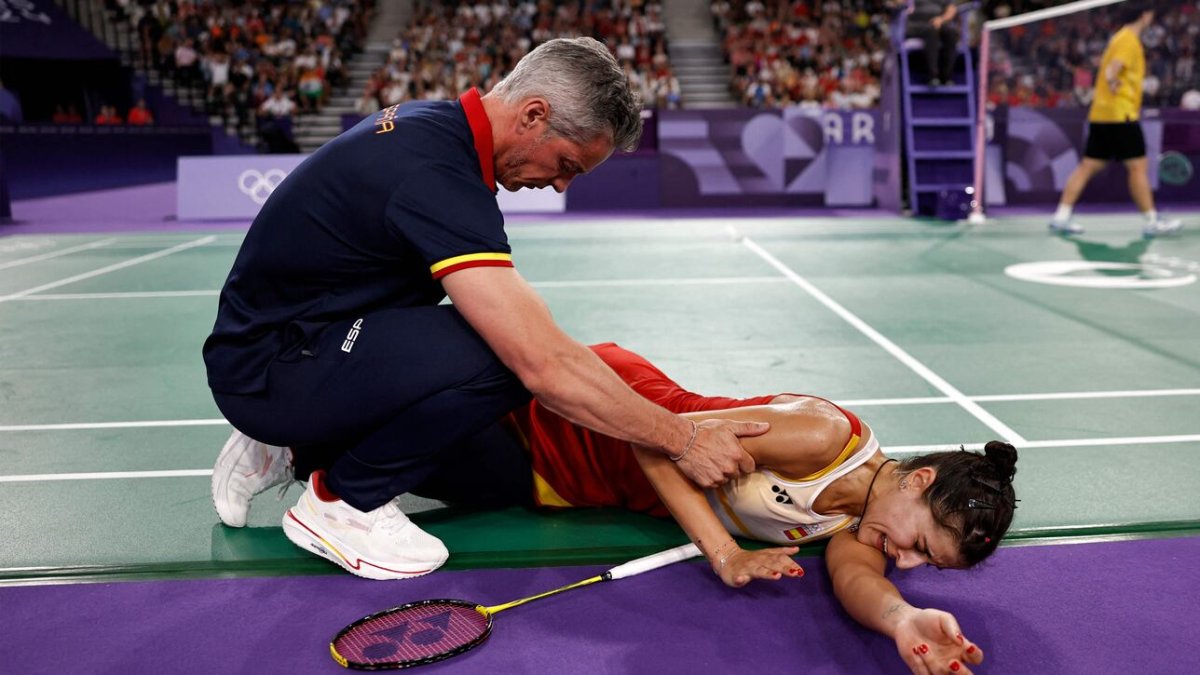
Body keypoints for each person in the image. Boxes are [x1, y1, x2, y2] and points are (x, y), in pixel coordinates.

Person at [206, 38, 767, 581]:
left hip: (304, 337)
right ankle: (343, 502)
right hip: (272, 366)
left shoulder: (437, 130)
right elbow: (540, 362)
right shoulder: (436, 174)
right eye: (567, 163)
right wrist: (683, 439)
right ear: (533, 115)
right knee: (505, 358)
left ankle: (300, 442)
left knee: (495, 459)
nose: (560, 184)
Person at [225, 343, 1015, 675]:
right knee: (443, 429)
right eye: (920, 545)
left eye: (922, 567)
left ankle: (296, 452)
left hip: (576, 487)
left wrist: (903, 617)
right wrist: (725, 553)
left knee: (454, 479)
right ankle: (279, 436)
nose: (903, 559)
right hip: (603, 414)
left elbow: (855, 578)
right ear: (915, 481)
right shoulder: (823, 437)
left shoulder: (860, 525)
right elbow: (658, 439)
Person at [1048, 3, 1182, 239]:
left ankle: (1061, 215)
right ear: (1145, 14)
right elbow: (1112, 69)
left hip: (1101, 113)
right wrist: (1112, 81)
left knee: (1089, 166)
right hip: (1121, 114)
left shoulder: (1119, 37)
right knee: (1137, 167)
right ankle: (1151, 220)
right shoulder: (1129, 40)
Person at [906, 1, 961, 87]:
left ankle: (946, 76)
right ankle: (933, 76)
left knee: (951, 33)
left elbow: (951, 9)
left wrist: (941, 19)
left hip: (938, 22)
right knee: (932, 31)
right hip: (915, 25)